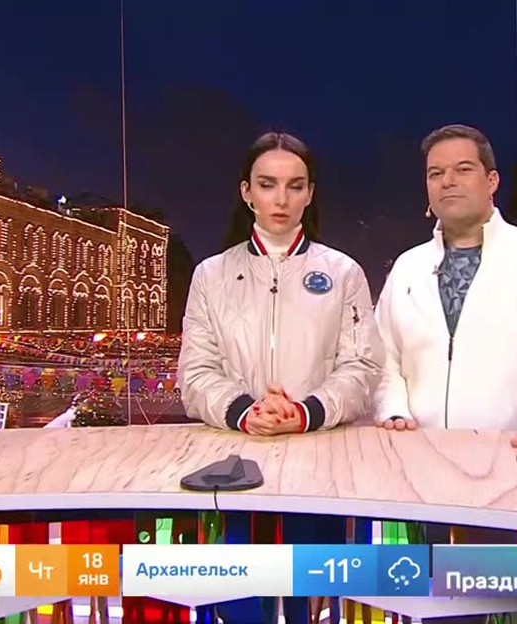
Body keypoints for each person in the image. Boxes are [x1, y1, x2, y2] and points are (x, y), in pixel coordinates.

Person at [176, 131, 382, 624]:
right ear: (246, 191)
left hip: (320, 467)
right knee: (242, 608)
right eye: (268, 185)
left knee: (315, 604)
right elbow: (195, 371)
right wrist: (245, 412)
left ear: (310, 193)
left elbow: (362, 367)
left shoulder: (343, 273)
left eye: (295, 186)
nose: (281, 199)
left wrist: (305, 413)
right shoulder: (211, 275)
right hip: (231, 467)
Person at [374, 123, 517, 456]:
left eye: (463, 170)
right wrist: (392, 409)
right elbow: (383, 354)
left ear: (492, 181)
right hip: (416, 452)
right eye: (435, 173)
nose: (447, 181)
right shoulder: (407, 267)